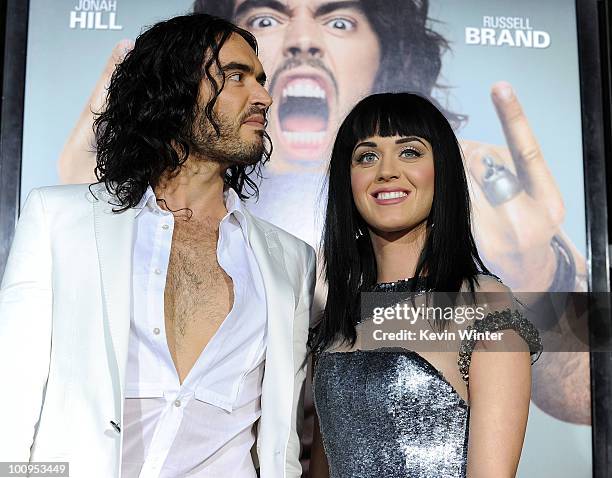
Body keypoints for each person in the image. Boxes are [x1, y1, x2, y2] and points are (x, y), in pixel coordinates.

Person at [54, 0, 586, 425]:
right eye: (265, 18)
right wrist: (99, 227)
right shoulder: (96, 219)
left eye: (339, 19)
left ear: (387, 54)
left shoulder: (302, 263)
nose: (303, 39)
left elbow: (585, 397)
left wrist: (544, 275)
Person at [0, 14, 315, 478]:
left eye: (261, 81)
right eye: (235, 77)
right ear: (174, 89)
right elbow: (12, 394)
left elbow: (282, 440)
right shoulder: (59, 220)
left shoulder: (291, 259)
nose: (264, 97)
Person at [308, 93, 542, 478]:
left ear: (443, 171)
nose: (386, 171)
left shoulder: (483, 306)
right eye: (367, 156)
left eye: (410, 152)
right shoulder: (337, 317)